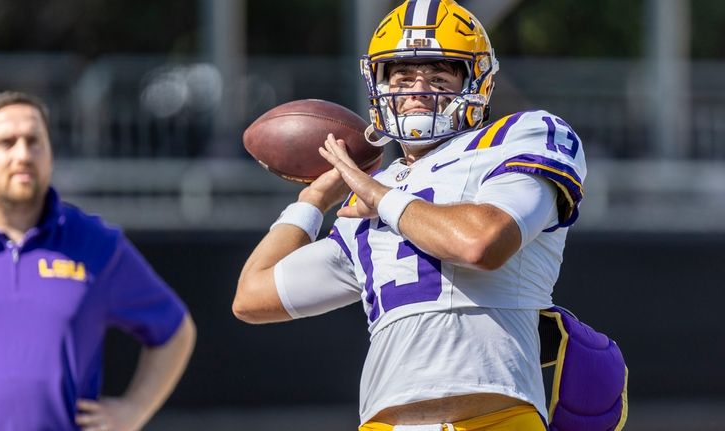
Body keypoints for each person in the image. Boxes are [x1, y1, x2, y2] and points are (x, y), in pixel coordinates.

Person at [234, 0, 587, 430]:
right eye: (402, 76)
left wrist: (378, 194)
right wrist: (314, 200)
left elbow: (480, 244)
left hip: (492, 417)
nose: (418, 88)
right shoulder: (364, 204)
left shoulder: (519, 136)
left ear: (477, 83)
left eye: (438, 75)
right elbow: (252, 297)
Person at [0, 90, 196, 431]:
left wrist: (133, 411)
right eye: (6, 143)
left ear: (50, 153)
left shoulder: (96, 243)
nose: (23, 154)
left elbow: (176, 331)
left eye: (34, 141)